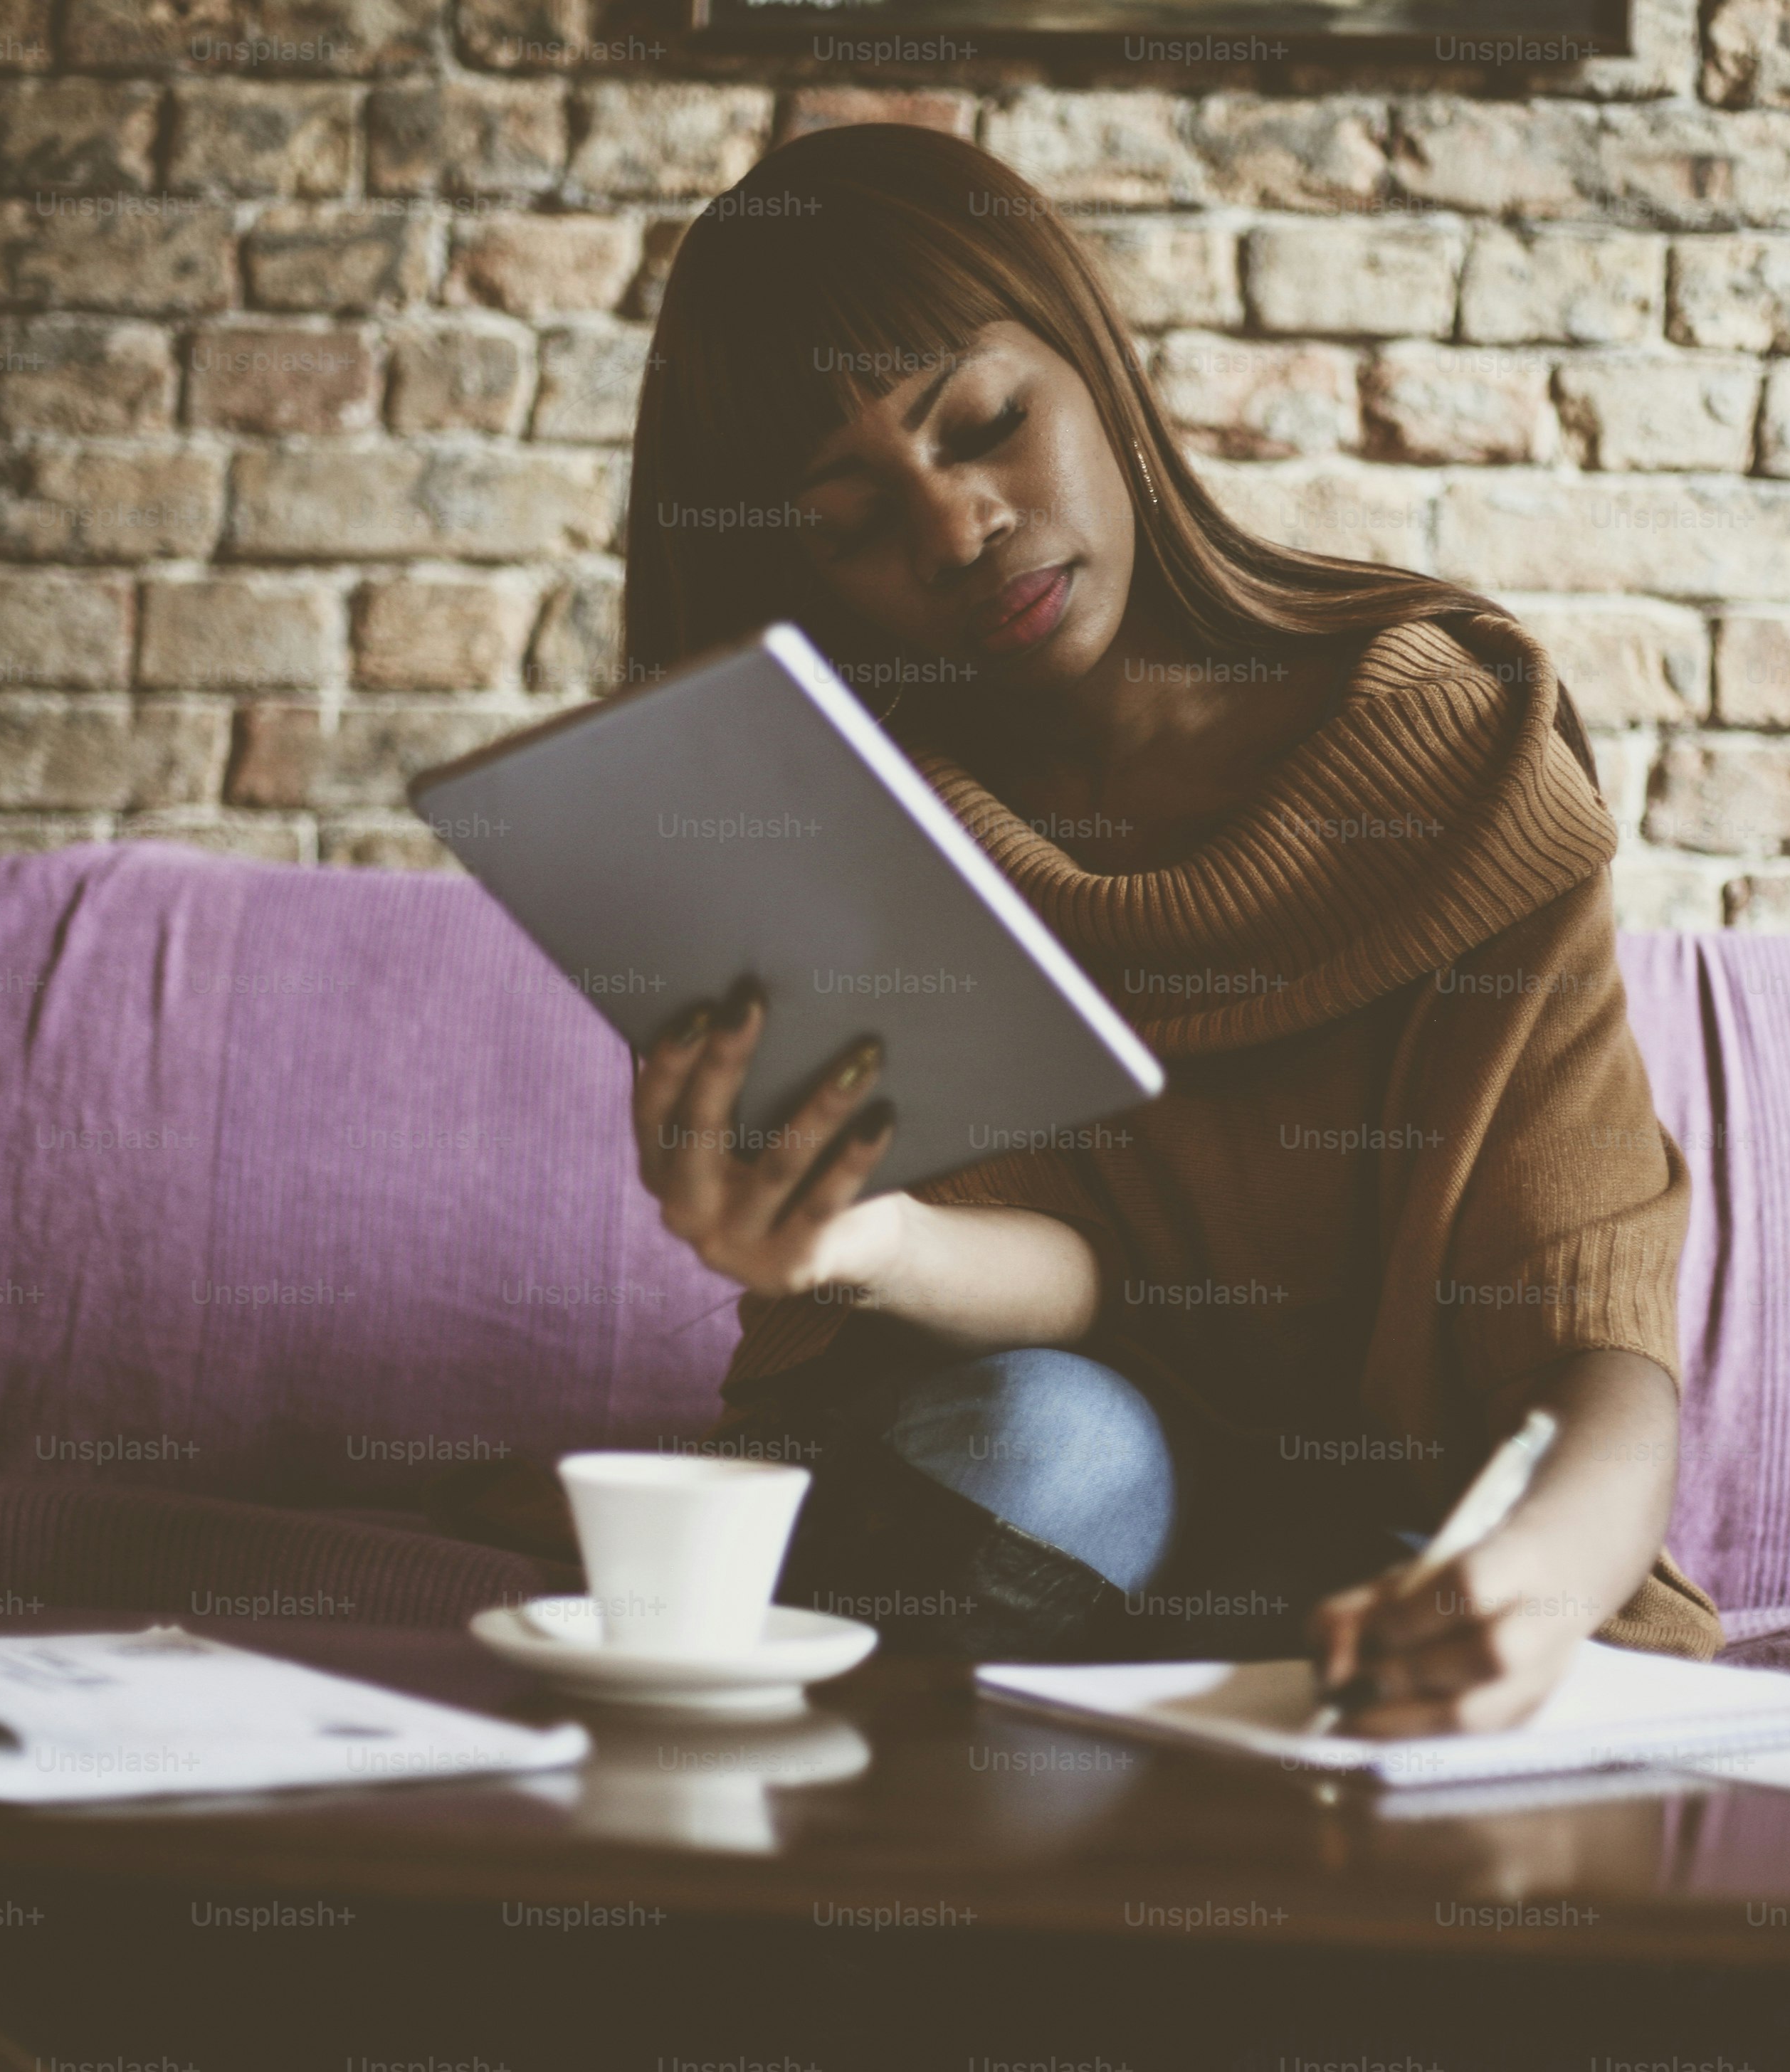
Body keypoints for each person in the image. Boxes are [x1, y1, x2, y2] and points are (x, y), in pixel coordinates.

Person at [614, 122, 1717, 1736]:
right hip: (1031, 1499)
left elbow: (1591, 1332)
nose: (956, 528)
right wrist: (861, 1241)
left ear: (1094, 363)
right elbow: (1075, 1274)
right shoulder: (870, 825)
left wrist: (1535, 1584)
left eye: (987, 422)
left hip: (1388, 1527)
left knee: (1404, 1566)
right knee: (1055, 1444)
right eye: (852, 520)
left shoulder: (1455, 748)